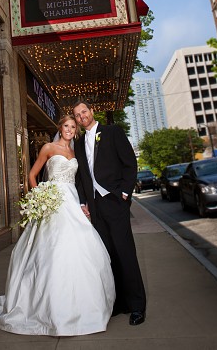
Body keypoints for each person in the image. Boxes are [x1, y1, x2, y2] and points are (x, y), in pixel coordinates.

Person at [0, 114, 115, 336]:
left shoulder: (76, 152)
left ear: (76, 130)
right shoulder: (48, 147)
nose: (69, 129)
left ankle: (81, 305)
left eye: (72, 127)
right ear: (60, 127)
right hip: (53, 202)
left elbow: (81, 180)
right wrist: (39, 194)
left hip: (72, 201)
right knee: (52, 248)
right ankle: (45, 306)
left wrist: (85, 203)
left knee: (79, 247)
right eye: (66, 126)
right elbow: (32, 174)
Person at [73, 98, 147, 326]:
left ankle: (137, 307)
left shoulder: (112, 131)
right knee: (107, 257)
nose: (81, 116)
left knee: (125, 253)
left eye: (84, 111)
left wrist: (125, 193)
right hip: (95, 207)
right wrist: (84, 201)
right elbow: (80, 177)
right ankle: (119, 303)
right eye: (77, 115)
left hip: (114, 201)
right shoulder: (78, 143)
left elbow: (129, 163)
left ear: (92, 111)